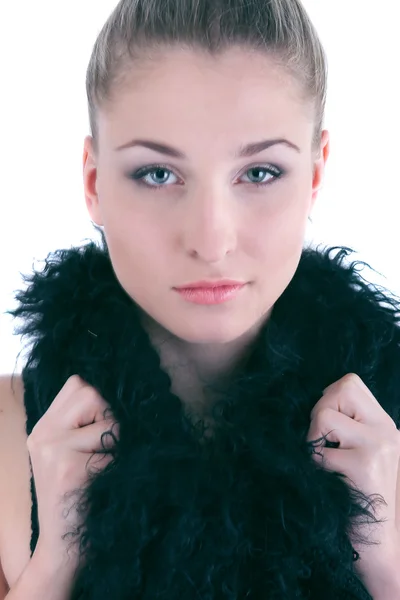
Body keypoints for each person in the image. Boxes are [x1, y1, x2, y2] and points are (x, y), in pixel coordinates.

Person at [1, 0, 400, 598]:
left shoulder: (386, 431)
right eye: (158, 174)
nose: (212, 241)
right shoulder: (12, 431)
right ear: (94, 184)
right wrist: (54, 562)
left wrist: (384, 558)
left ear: (315, 176)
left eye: (260, 173)